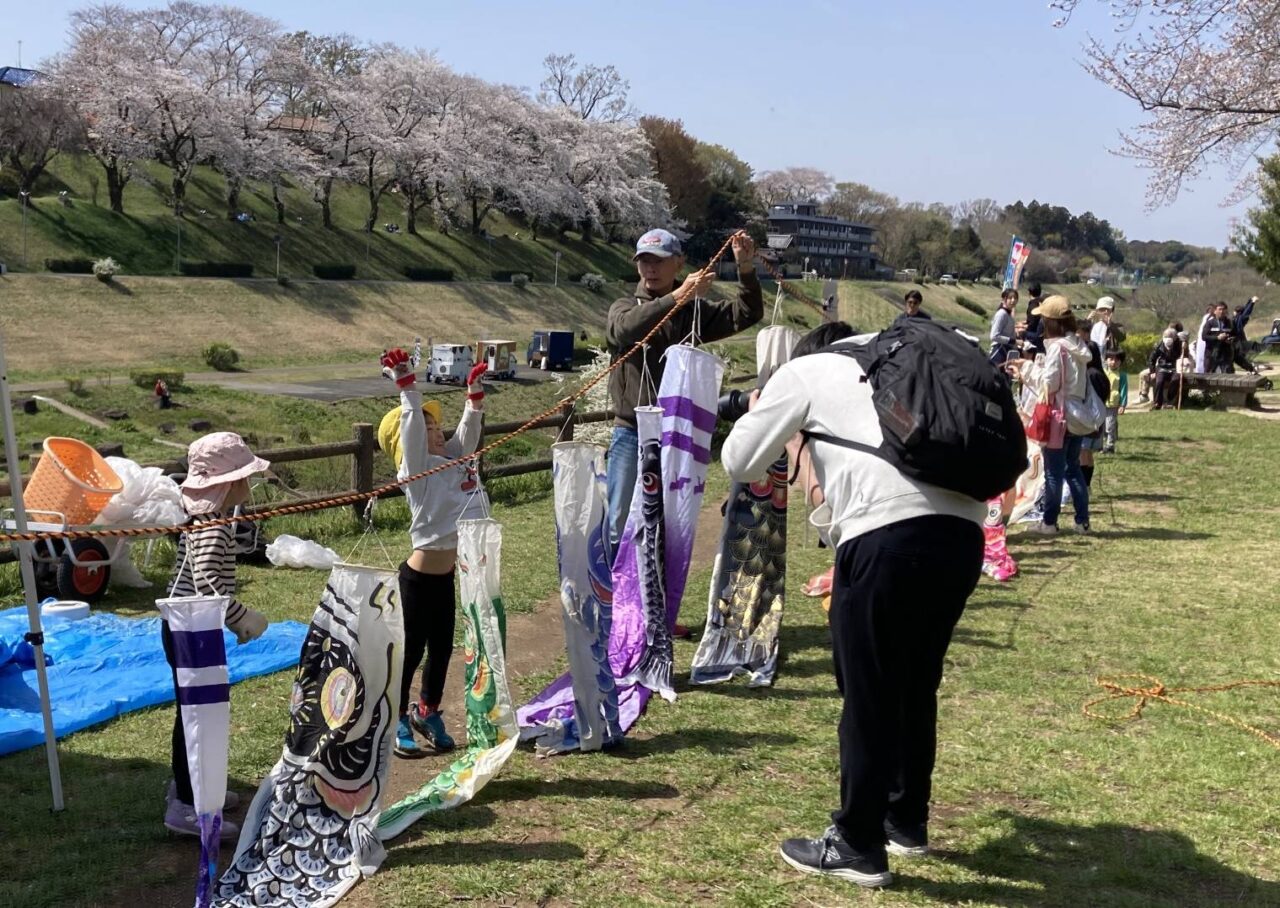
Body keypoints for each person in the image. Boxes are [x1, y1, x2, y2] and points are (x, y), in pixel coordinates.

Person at [722, 321, 985, 890]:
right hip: (963, 537)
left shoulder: (809, 371)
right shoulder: (908, 365)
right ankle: (904, 819)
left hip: (886, 535)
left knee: (867, 688)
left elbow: (738, 459)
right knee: (916, 680)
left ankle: (858, 844)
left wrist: (779, 417)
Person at [605, 228, 761, 552]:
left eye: (659, 260)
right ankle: (614, 594)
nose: (650, 268)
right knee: (619, 520)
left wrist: (745, 268)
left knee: (668, 521)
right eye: (644, 260)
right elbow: (624, 330)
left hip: (676, 436)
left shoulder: (693, 313)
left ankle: (656, 592)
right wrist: (678, 297)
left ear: (679, 263)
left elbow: (745, 314)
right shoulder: (624, 305)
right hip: (630, 431)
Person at [378, 349, 489, 757]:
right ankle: (396, 719)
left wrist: (473, 397)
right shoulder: (418, 475)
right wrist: (407, 389)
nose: (436, 431)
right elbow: (410, 433)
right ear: (407, 446)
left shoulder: (453, 459)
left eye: (436, 424)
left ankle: (427, 710)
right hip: (417, 580)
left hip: (445, 577)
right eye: (426, 427)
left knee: (442, 648)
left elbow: (468, 433)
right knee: (410, 651)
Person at [163, 432, 271, 838]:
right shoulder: (214, 524)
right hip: (191, 626)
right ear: (227, 482)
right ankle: (188, 804)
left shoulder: (210, 518)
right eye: (245, 474)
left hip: (191, 624)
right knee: (196, 715)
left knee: (197, 711)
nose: (249, 483)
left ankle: (198, 788)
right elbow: (208, 581)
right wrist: (241, 617)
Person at [1009, 296, 1091, 534]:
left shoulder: (1057, 348)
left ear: (1052, 321)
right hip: (1077, 415)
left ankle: (1049, 522)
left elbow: (1050, 385)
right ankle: (1082, 521)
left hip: (1058, 417)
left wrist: (1026, 368)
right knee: (1073, 469)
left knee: (1053, 472)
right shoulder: (1078, 345)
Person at [1148, 328, 1183, 409]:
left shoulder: (1179, 345)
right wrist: (1152, 371)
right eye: (1166, 336)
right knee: (1159, 381)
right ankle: (1157, 403)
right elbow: (1151, 359)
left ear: (1174, 338)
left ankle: (1170, 399)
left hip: (1174, 368)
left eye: (1170, 336)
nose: (1168, 338)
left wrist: (1184, 348)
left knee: (1176, 379)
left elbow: (1184, 355)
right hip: (1162, 368)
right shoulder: (1159, 346)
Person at [1102, 350, 1128, 453]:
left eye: (1117, 360)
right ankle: (1102, 443)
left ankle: (1110, 445)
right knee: (1102, 425)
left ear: (1120, 362)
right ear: (1106, 360)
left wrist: (1122, 404)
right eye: (1111, 359)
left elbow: (1123, 390)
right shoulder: (1103, 372)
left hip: (1114, 403)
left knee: (1110, 425)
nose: (1113, 362)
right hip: (1102, 402)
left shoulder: (1122, 375)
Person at [1202, 301, 1235, 373]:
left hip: (1225, 355)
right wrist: (1217, 338)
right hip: (1211, 354)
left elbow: (1234, 335)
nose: (1222, 311)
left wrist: (1230, 339)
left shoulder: (1229, 323)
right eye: (1220, 309)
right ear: (1215, 311)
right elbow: (1204, 337)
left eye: (1223, 309)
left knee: (1228, 376)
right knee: (1208, 375)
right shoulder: (1210, 323)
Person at [988, 289, 1018, 365]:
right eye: (1010, 298)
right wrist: (1014, 341)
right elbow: (994, 336)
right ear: (1004, 299)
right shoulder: (1001, 314)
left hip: (1006, 351)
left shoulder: (1008, 314)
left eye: (1015, 298)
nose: (1013, 300)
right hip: (999, 350)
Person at [1019, 283, 1046, 356]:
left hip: (1035, 335)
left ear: (1029, 293)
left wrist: (1023, 328)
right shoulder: (1041, 303)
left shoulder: (1032, 305)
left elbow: (1032, 325)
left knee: (1018, 333)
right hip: (1040, 334)